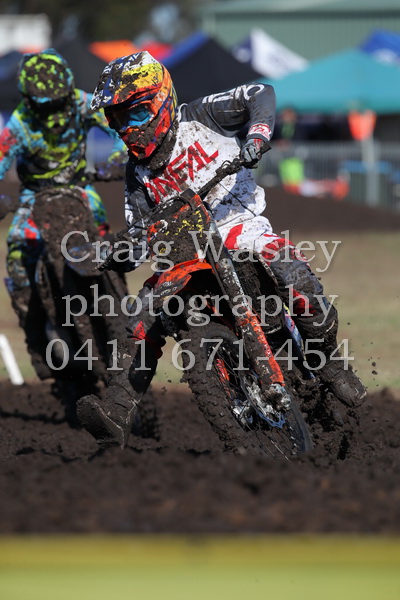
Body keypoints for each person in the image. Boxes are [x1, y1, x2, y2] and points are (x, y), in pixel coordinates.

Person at [77, 51, 366, 448]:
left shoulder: (202, 116)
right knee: (143, 314)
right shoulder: (137, 173)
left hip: (239, 226)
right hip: (185, 252)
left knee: (291, 272)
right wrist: (118, 251)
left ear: (161, 99)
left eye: (136, 113)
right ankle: (116, 410)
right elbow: (140, 234)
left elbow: (259, 93)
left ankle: (330, 364)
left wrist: (258, 134)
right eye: (118, 119)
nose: (128, 127)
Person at [0, 48, 126, 379]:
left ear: (69, 90)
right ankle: (35, 336)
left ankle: (120, 303)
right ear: (29, 100)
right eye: (48, 106)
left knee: (110, 245)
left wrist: (117, 158)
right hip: (33, 198)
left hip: (80, 189)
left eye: (61, 102)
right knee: (18, 257)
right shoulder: (18, 125)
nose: (56, 113)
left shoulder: (83, 103)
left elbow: (120, 130)